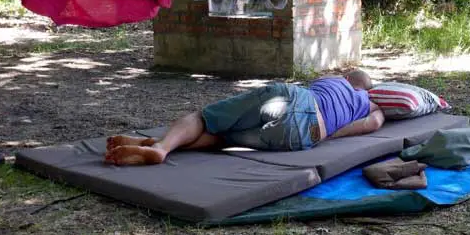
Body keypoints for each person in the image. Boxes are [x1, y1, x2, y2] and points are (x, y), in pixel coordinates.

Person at [104, 69, 384, 166]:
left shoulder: (334, 80)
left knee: (205, 118)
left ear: (348, 78)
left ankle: (162, 147)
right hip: (304, 136)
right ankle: (155, 143)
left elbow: (311, 92)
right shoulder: (368, 103)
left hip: (294, 99)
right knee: (221, 138)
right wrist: (332, 132)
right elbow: (374, 123)